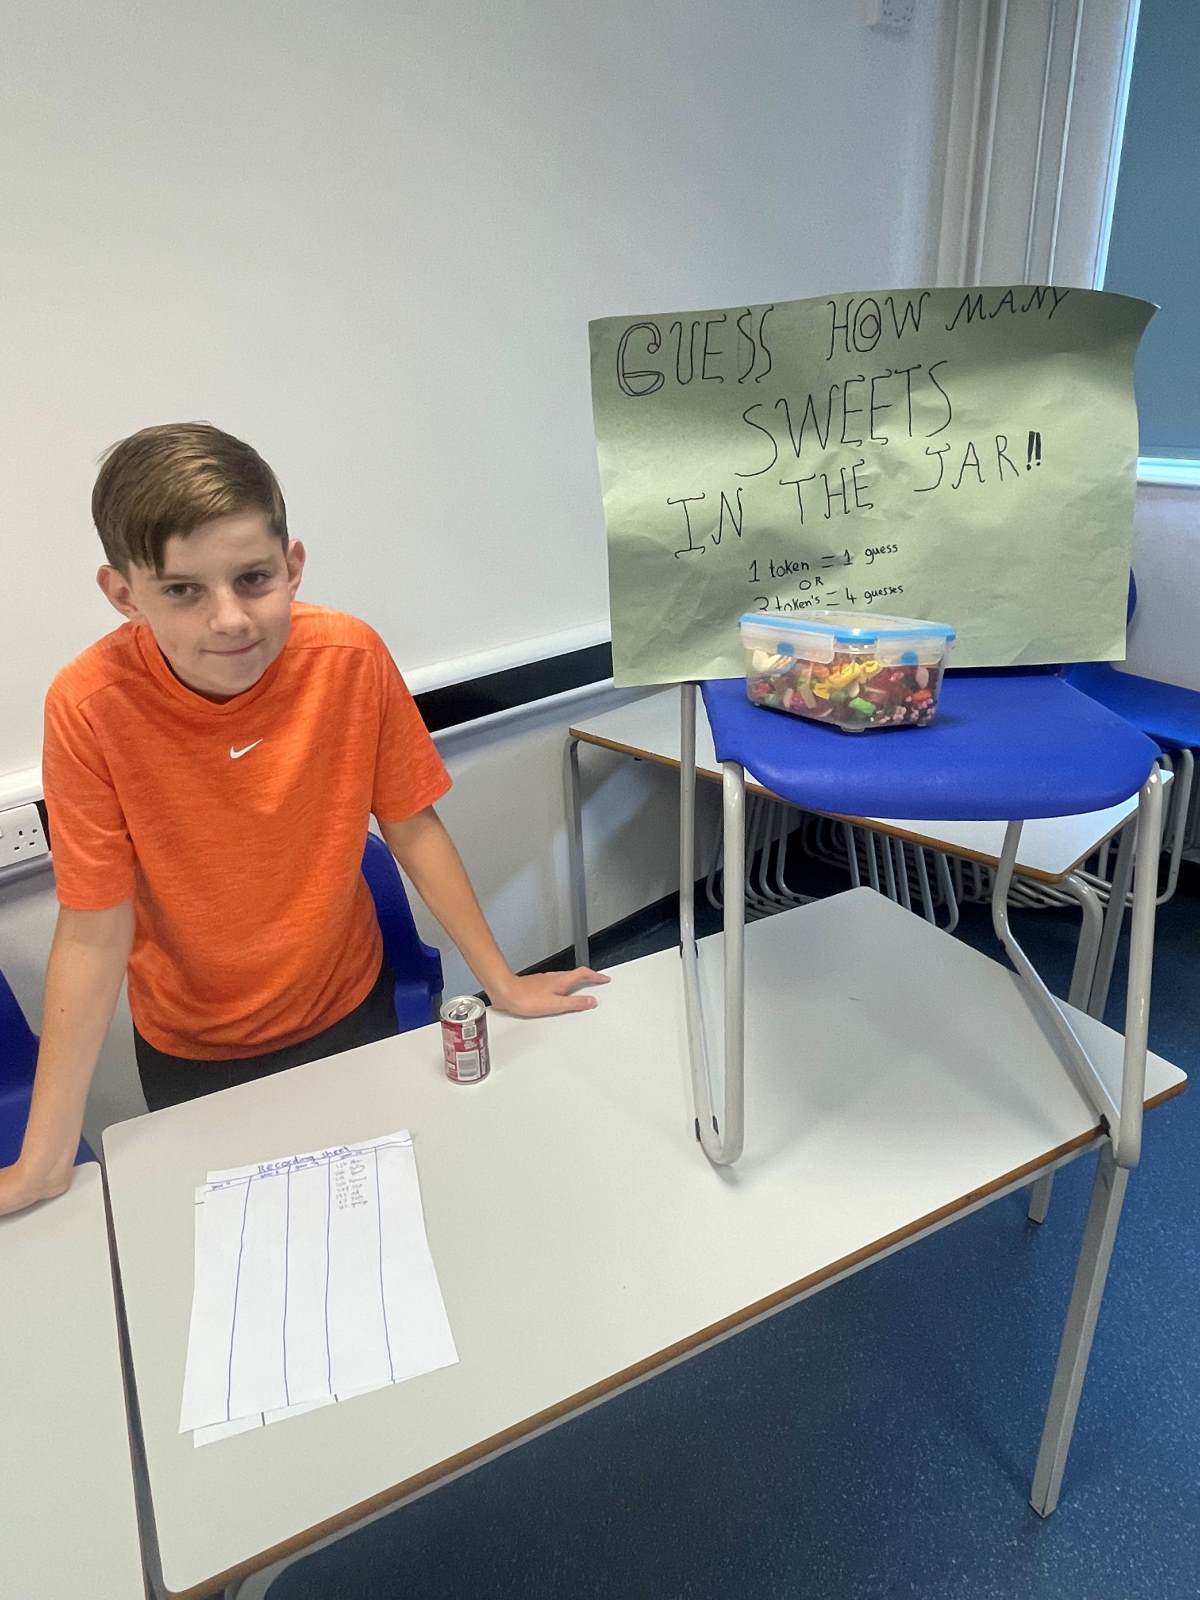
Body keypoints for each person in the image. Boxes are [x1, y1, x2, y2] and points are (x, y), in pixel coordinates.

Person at [0, 422, 606, 1216]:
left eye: (252, 579)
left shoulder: (349, 657)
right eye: (183, 590)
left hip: (349, 1005)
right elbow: (93, 926)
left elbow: (413, 826)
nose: (229, 619)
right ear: (124, 595)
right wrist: (45, 1159)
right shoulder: (88, 706)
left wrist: (503, 983)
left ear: (291, 567)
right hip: (191, 1043)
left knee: (378, 1210)